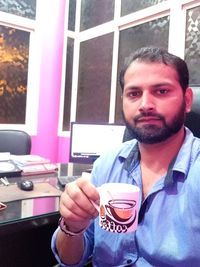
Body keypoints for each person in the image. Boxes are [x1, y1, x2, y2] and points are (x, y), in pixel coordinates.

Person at [51, 47, 200, 266]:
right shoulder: (106, 164)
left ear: (187, 100)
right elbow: (70, 260)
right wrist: (73, 226)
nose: (145, 105)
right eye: (134, 93)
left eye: (161, 91)